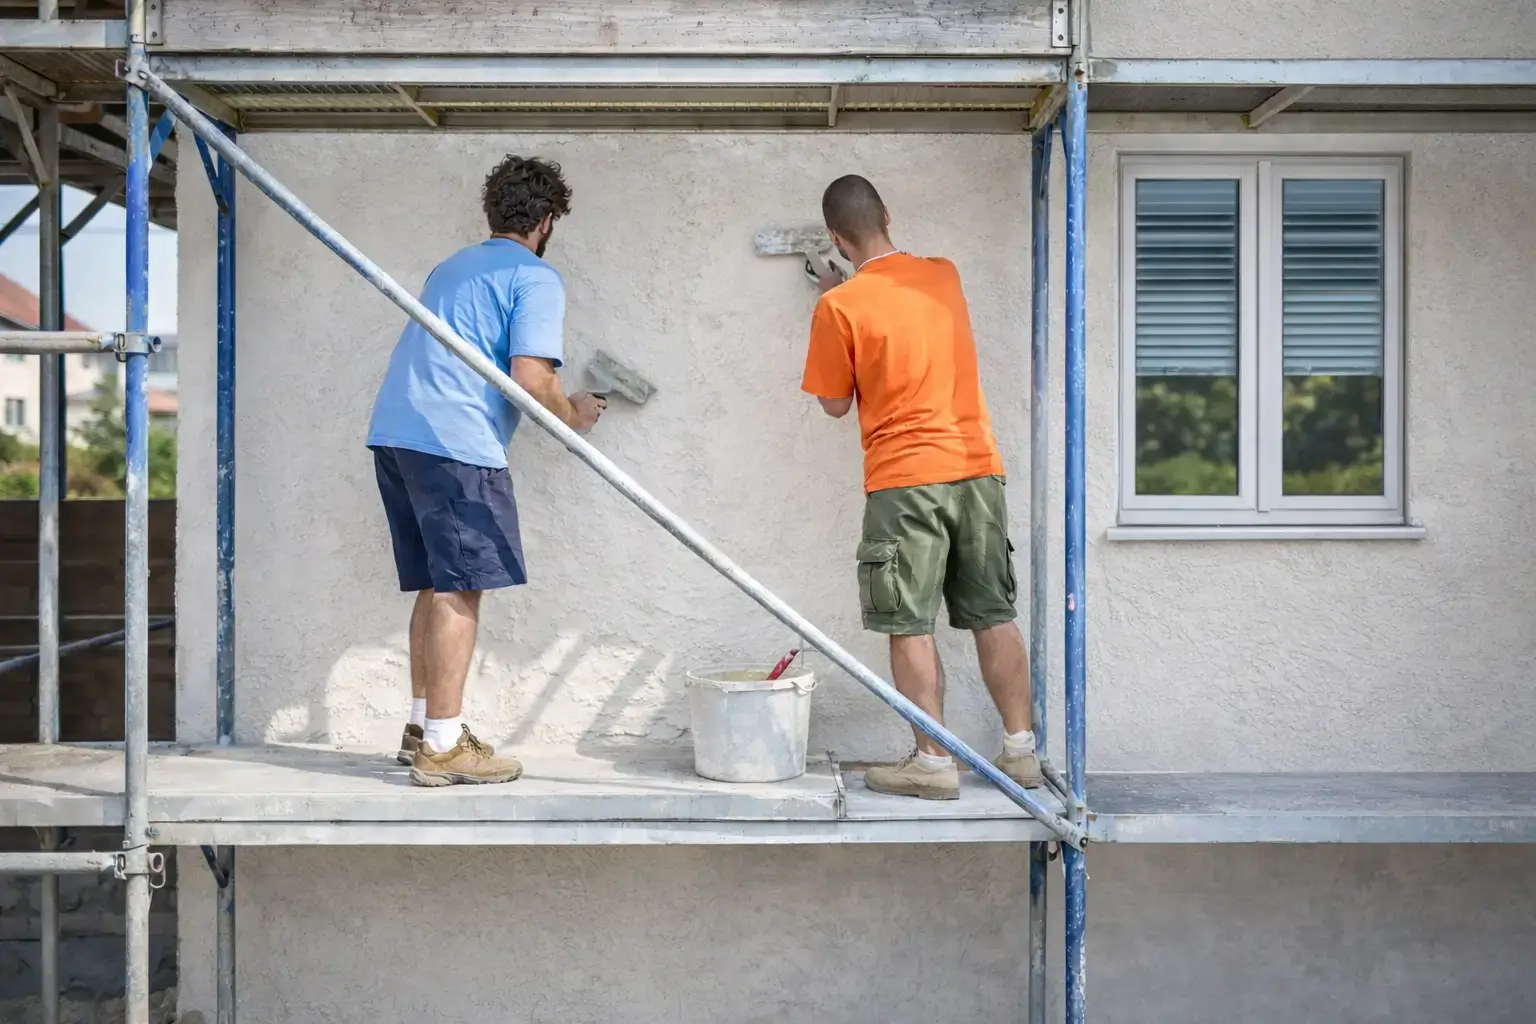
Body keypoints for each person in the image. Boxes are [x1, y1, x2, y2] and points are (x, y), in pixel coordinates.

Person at [366, 155, 606, 787]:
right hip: (455, 441)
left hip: (398, 434)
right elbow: (532, 377)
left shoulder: (453, 267)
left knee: (435, 583)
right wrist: (574, 415)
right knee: (461, 588)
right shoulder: (535, 276)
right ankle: (446, 747)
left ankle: (422, 729)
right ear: (547, 221)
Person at [800, 174, 1042, 801]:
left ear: (834, 236)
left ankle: (932, 763)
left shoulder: (839, 307)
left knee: (909, 622)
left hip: (906, 480)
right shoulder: (945, 274)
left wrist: (831, 300)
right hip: (976, 468)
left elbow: (831, 404)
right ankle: (1021, 751)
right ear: (886, 212)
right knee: (994, 613)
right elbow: (901, 301)